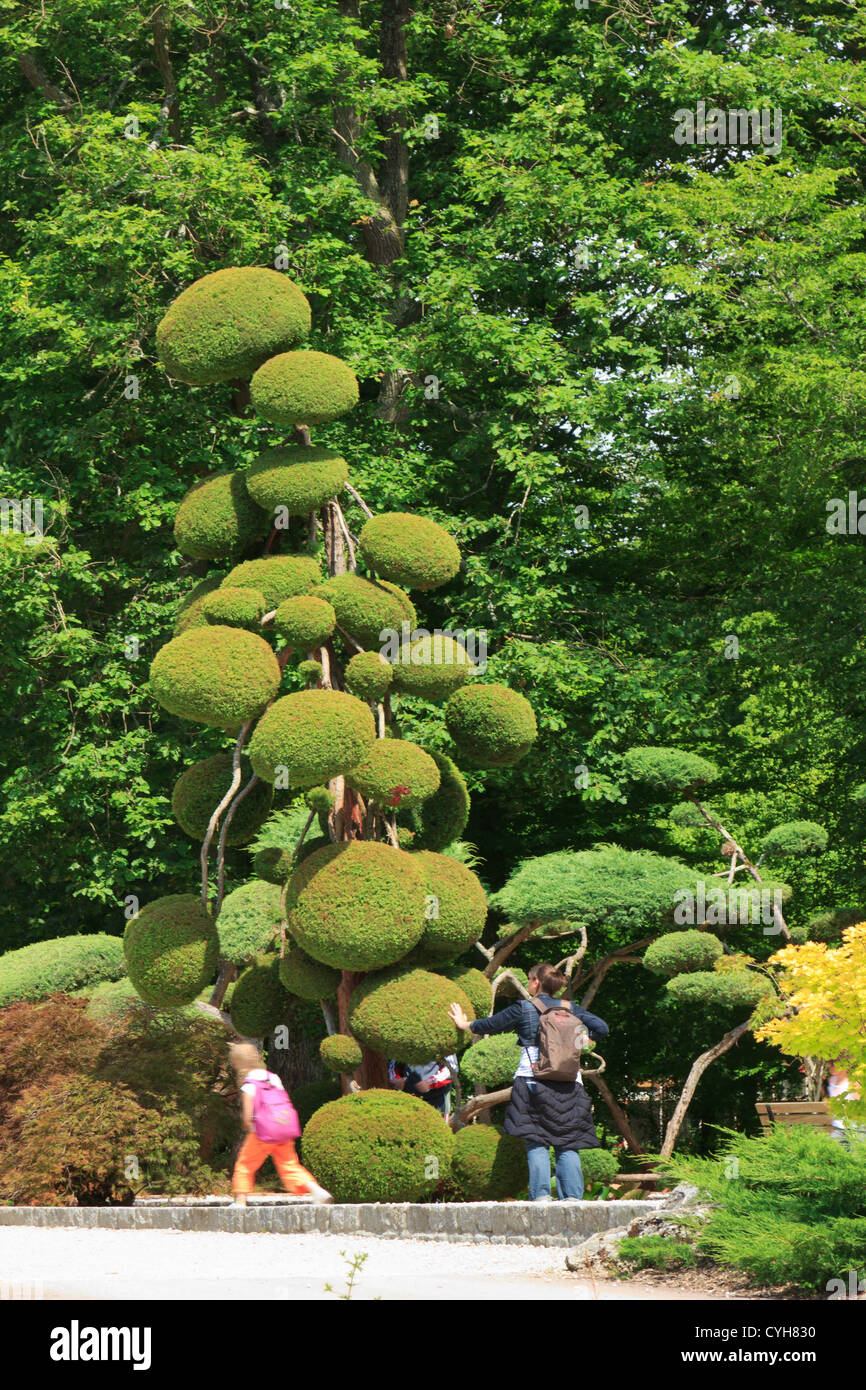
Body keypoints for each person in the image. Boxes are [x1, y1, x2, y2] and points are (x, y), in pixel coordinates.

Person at [448, 962, 609, 1202]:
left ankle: (542, 1197)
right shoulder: (571, 1008)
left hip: (533, 1080)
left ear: (535, 983)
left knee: (537, 1139)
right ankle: (573, 1199)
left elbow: (490, 1025)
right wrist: (583, 1041)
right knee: (568, 1142)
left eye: (531, 980)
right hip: (570, 1083)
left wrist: (464, 1024)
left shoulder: (524, 1008)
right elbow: (602, 1028)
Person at [229, 1043, 332, 1206]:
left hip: (261, 1133)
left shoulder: (249, 1084)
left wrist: (247, 1125)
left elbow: (249, 1115)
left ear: (238, 1063)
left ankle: (240, 1201)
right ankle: (315, 1189)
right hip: (282, 1128)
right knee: (289, 1165)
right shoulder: (273, 1077)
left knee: (245, 1164)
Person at [388, 1056, 458, 1116]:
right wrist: (396, 1079)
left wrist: (430, 1083)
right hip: (409, 1095)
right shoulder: (403, 1042)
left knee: (438, 1128)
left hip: (437, 1097)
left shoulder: (443, 1042)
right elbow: (394, 1065)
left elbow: (452, 1068)